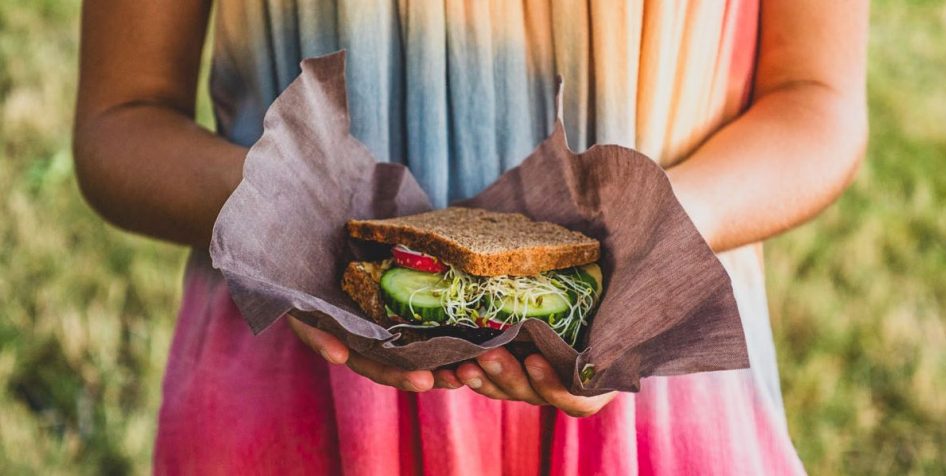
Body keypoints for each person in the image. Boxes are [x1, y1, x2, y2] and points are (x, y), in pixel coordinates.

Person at [74, 1, 867, 474]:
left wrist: (658, 233)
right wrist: (297, 232)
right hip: (296, 398)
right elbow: (122, 119)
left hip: (655, 405)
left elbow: (814, 100)